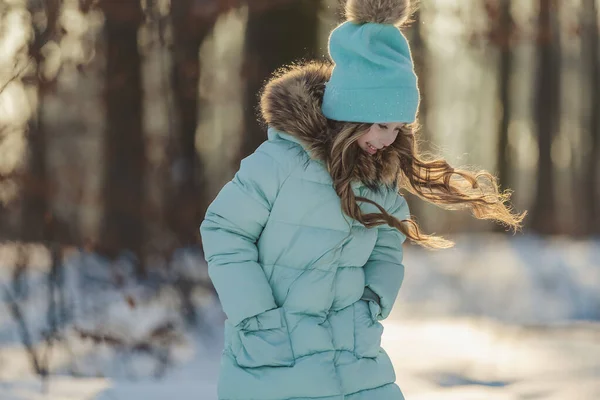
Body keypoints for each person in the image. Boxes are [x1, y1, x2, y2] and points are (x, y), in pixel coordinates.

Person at [199, 0, 525, 399]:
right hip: (275, 354)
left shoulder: (378, 180)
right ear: (351, 112)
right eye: (382, 125)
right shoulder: (281, 163)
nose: (389, 139)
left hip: (353, 356)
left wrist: (372, 302)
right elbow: (224, 230)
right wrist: (256, 315)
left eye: (399, 128)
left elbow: (388, 245)